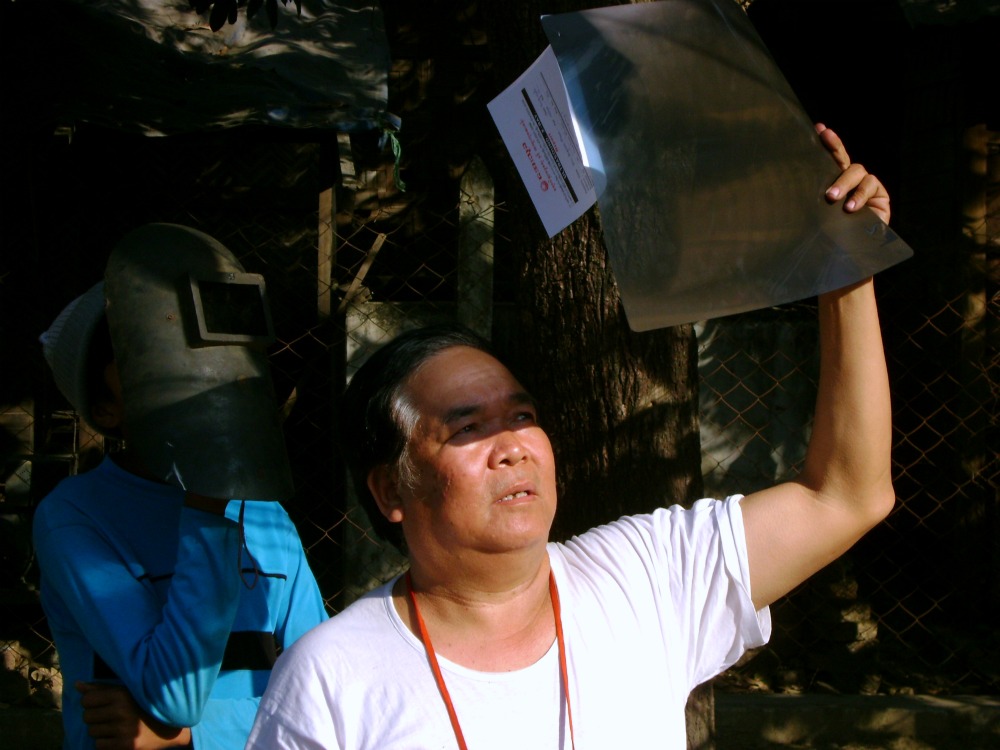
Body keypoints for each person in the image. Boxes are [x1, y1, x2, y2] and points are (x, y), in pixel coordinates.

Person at [245, 124, 896, 749]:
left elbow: (846, 494)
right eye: (467, 428)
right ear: (391, 487)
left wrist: (846, 273)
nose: (514, 447)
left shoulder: (645, 579)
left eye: (522, 417)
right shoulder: (331, 678)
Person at [34, 225, 329, 750]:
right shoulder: (74, 517)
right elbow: (178, 693)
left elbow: (326, 694)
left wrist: (196, 735)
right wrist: (206, 502)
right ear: (105, 410)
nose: (194, 372)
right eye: (151, 356)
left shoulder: (265, 514)